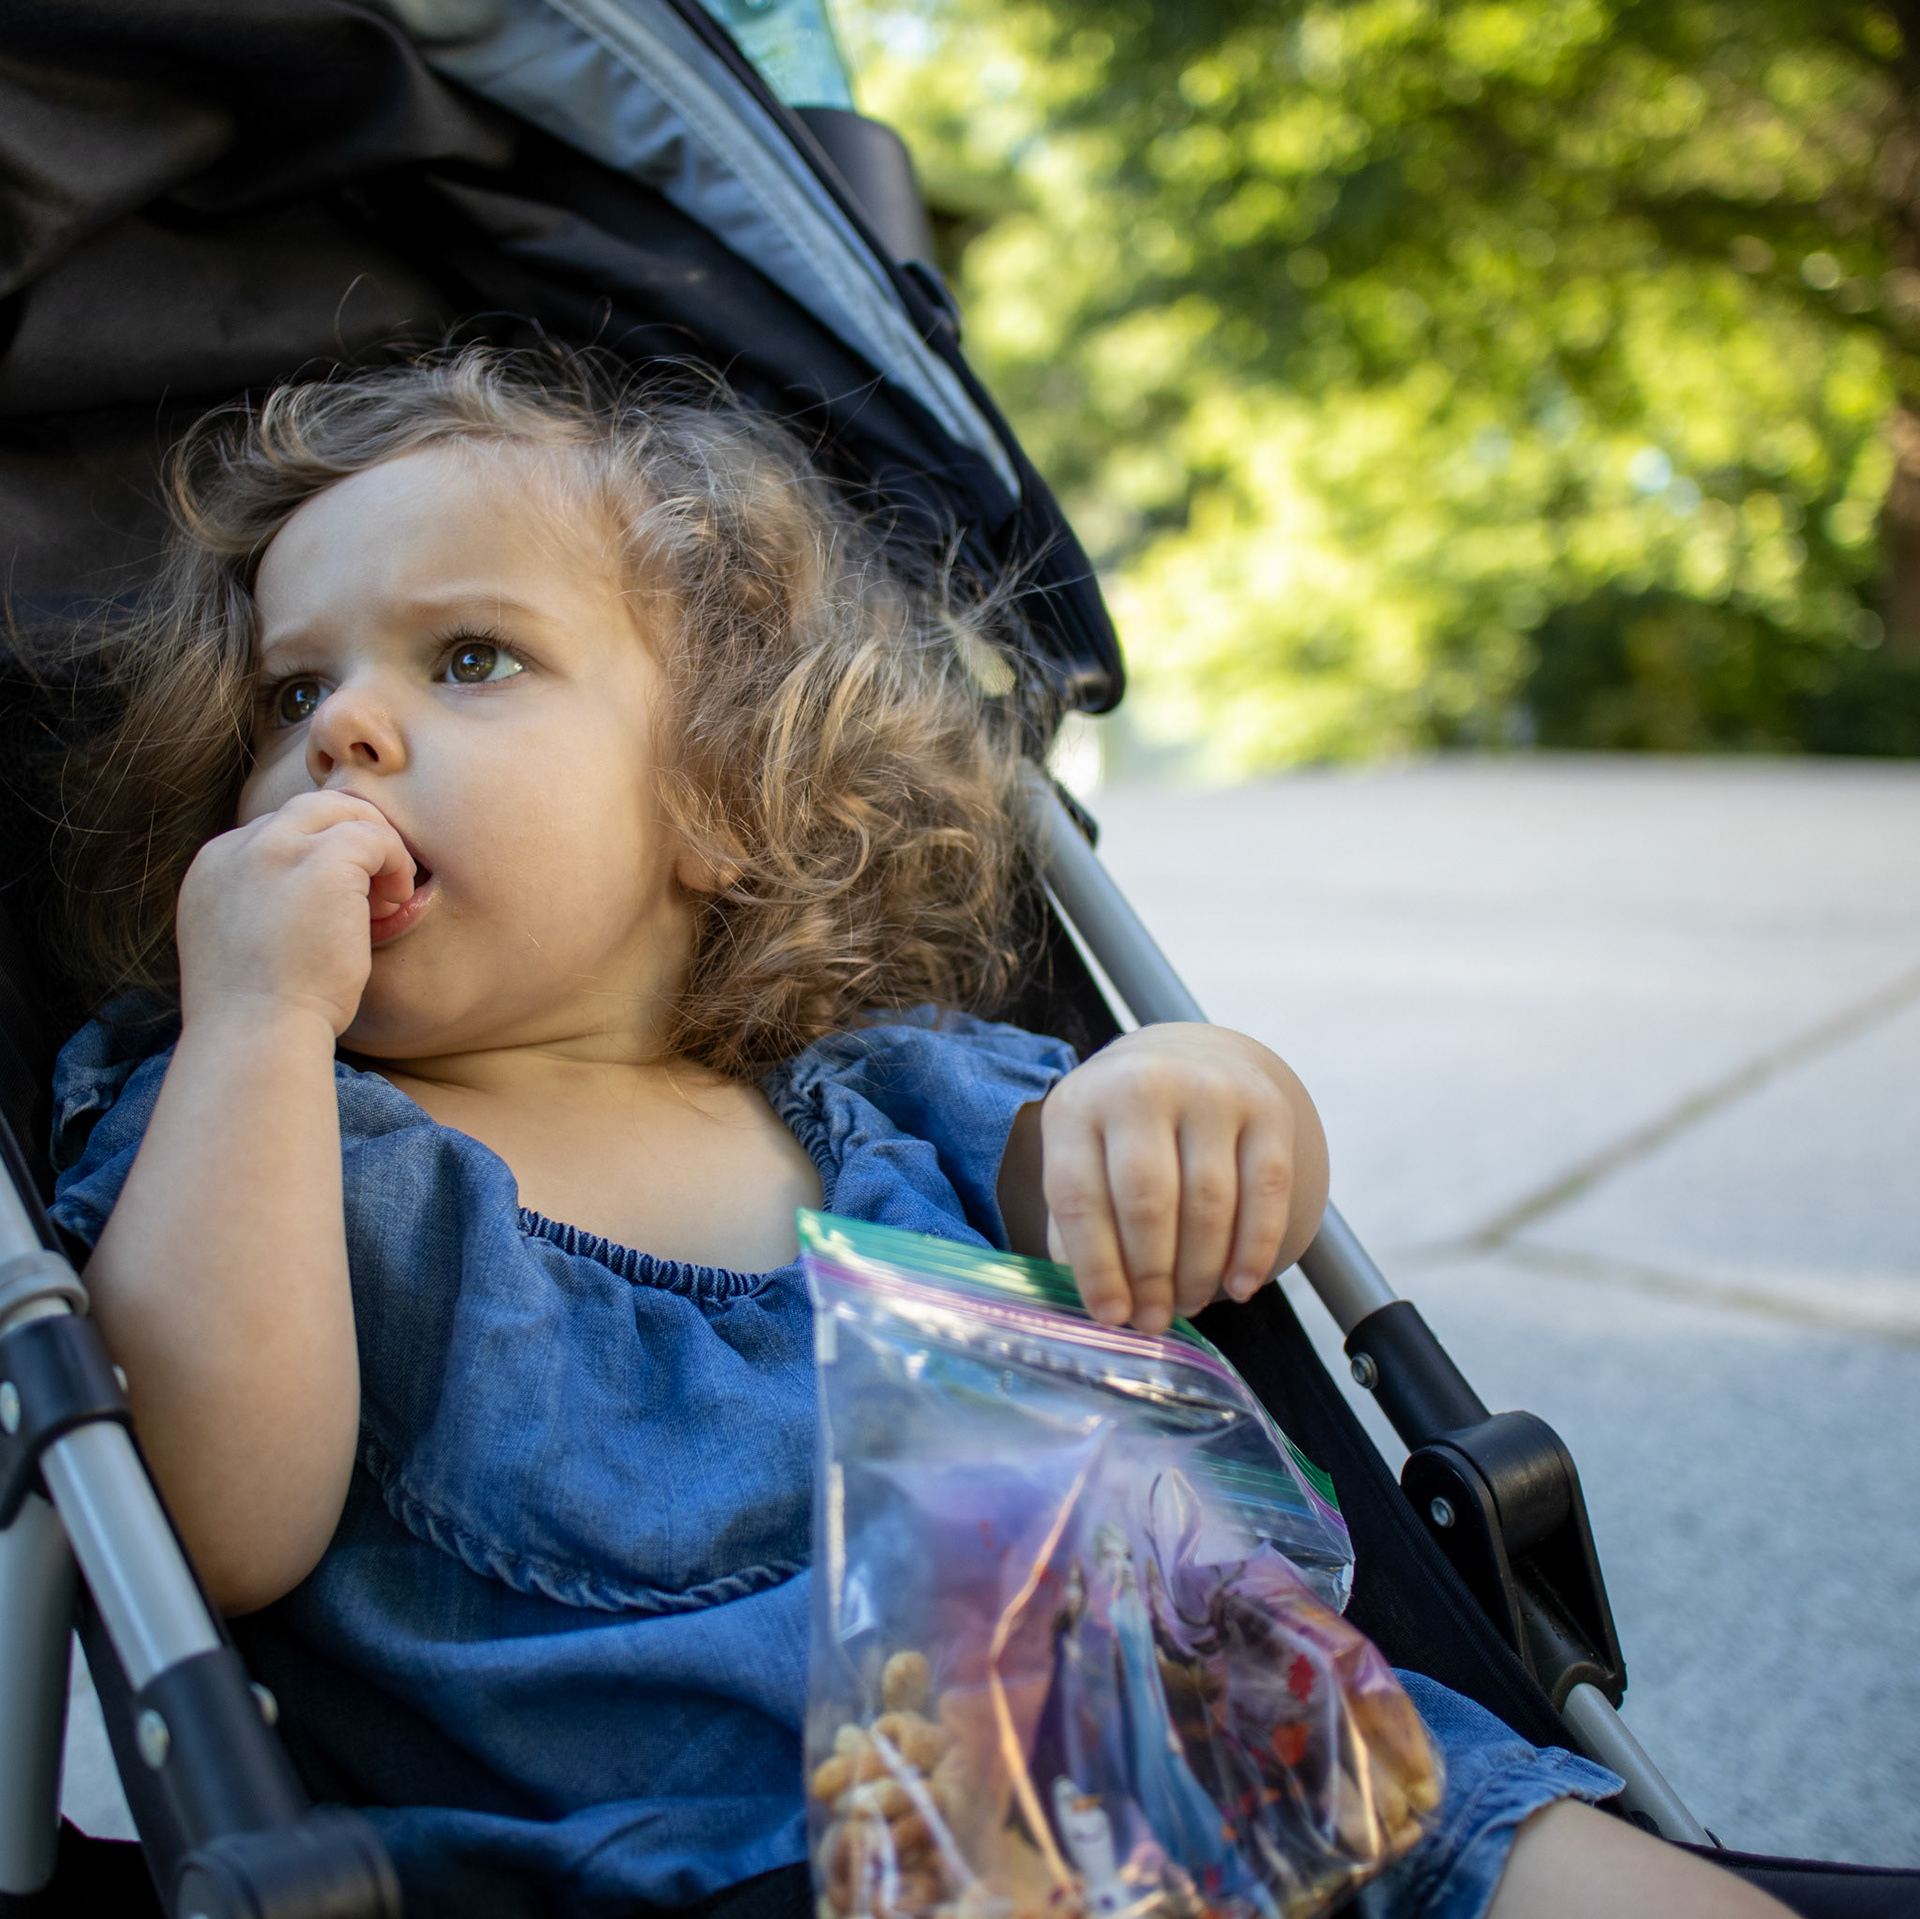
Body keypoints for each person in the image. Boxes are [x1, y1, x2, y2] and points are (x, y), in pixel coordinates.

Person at [42, 350, 1784, 1919]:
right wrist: (257, 1020)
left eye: (471, 656)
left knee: (1567, 1862)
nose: (340, 727)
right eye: (287, 697)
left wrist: (1187, 1091)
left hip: (1234, 1777)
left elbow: (1136, 1194)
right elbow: (207, 1522)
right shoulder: (262, 1135)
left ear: (716, 795)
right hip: (737, 1868)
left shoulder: (893, 1101)